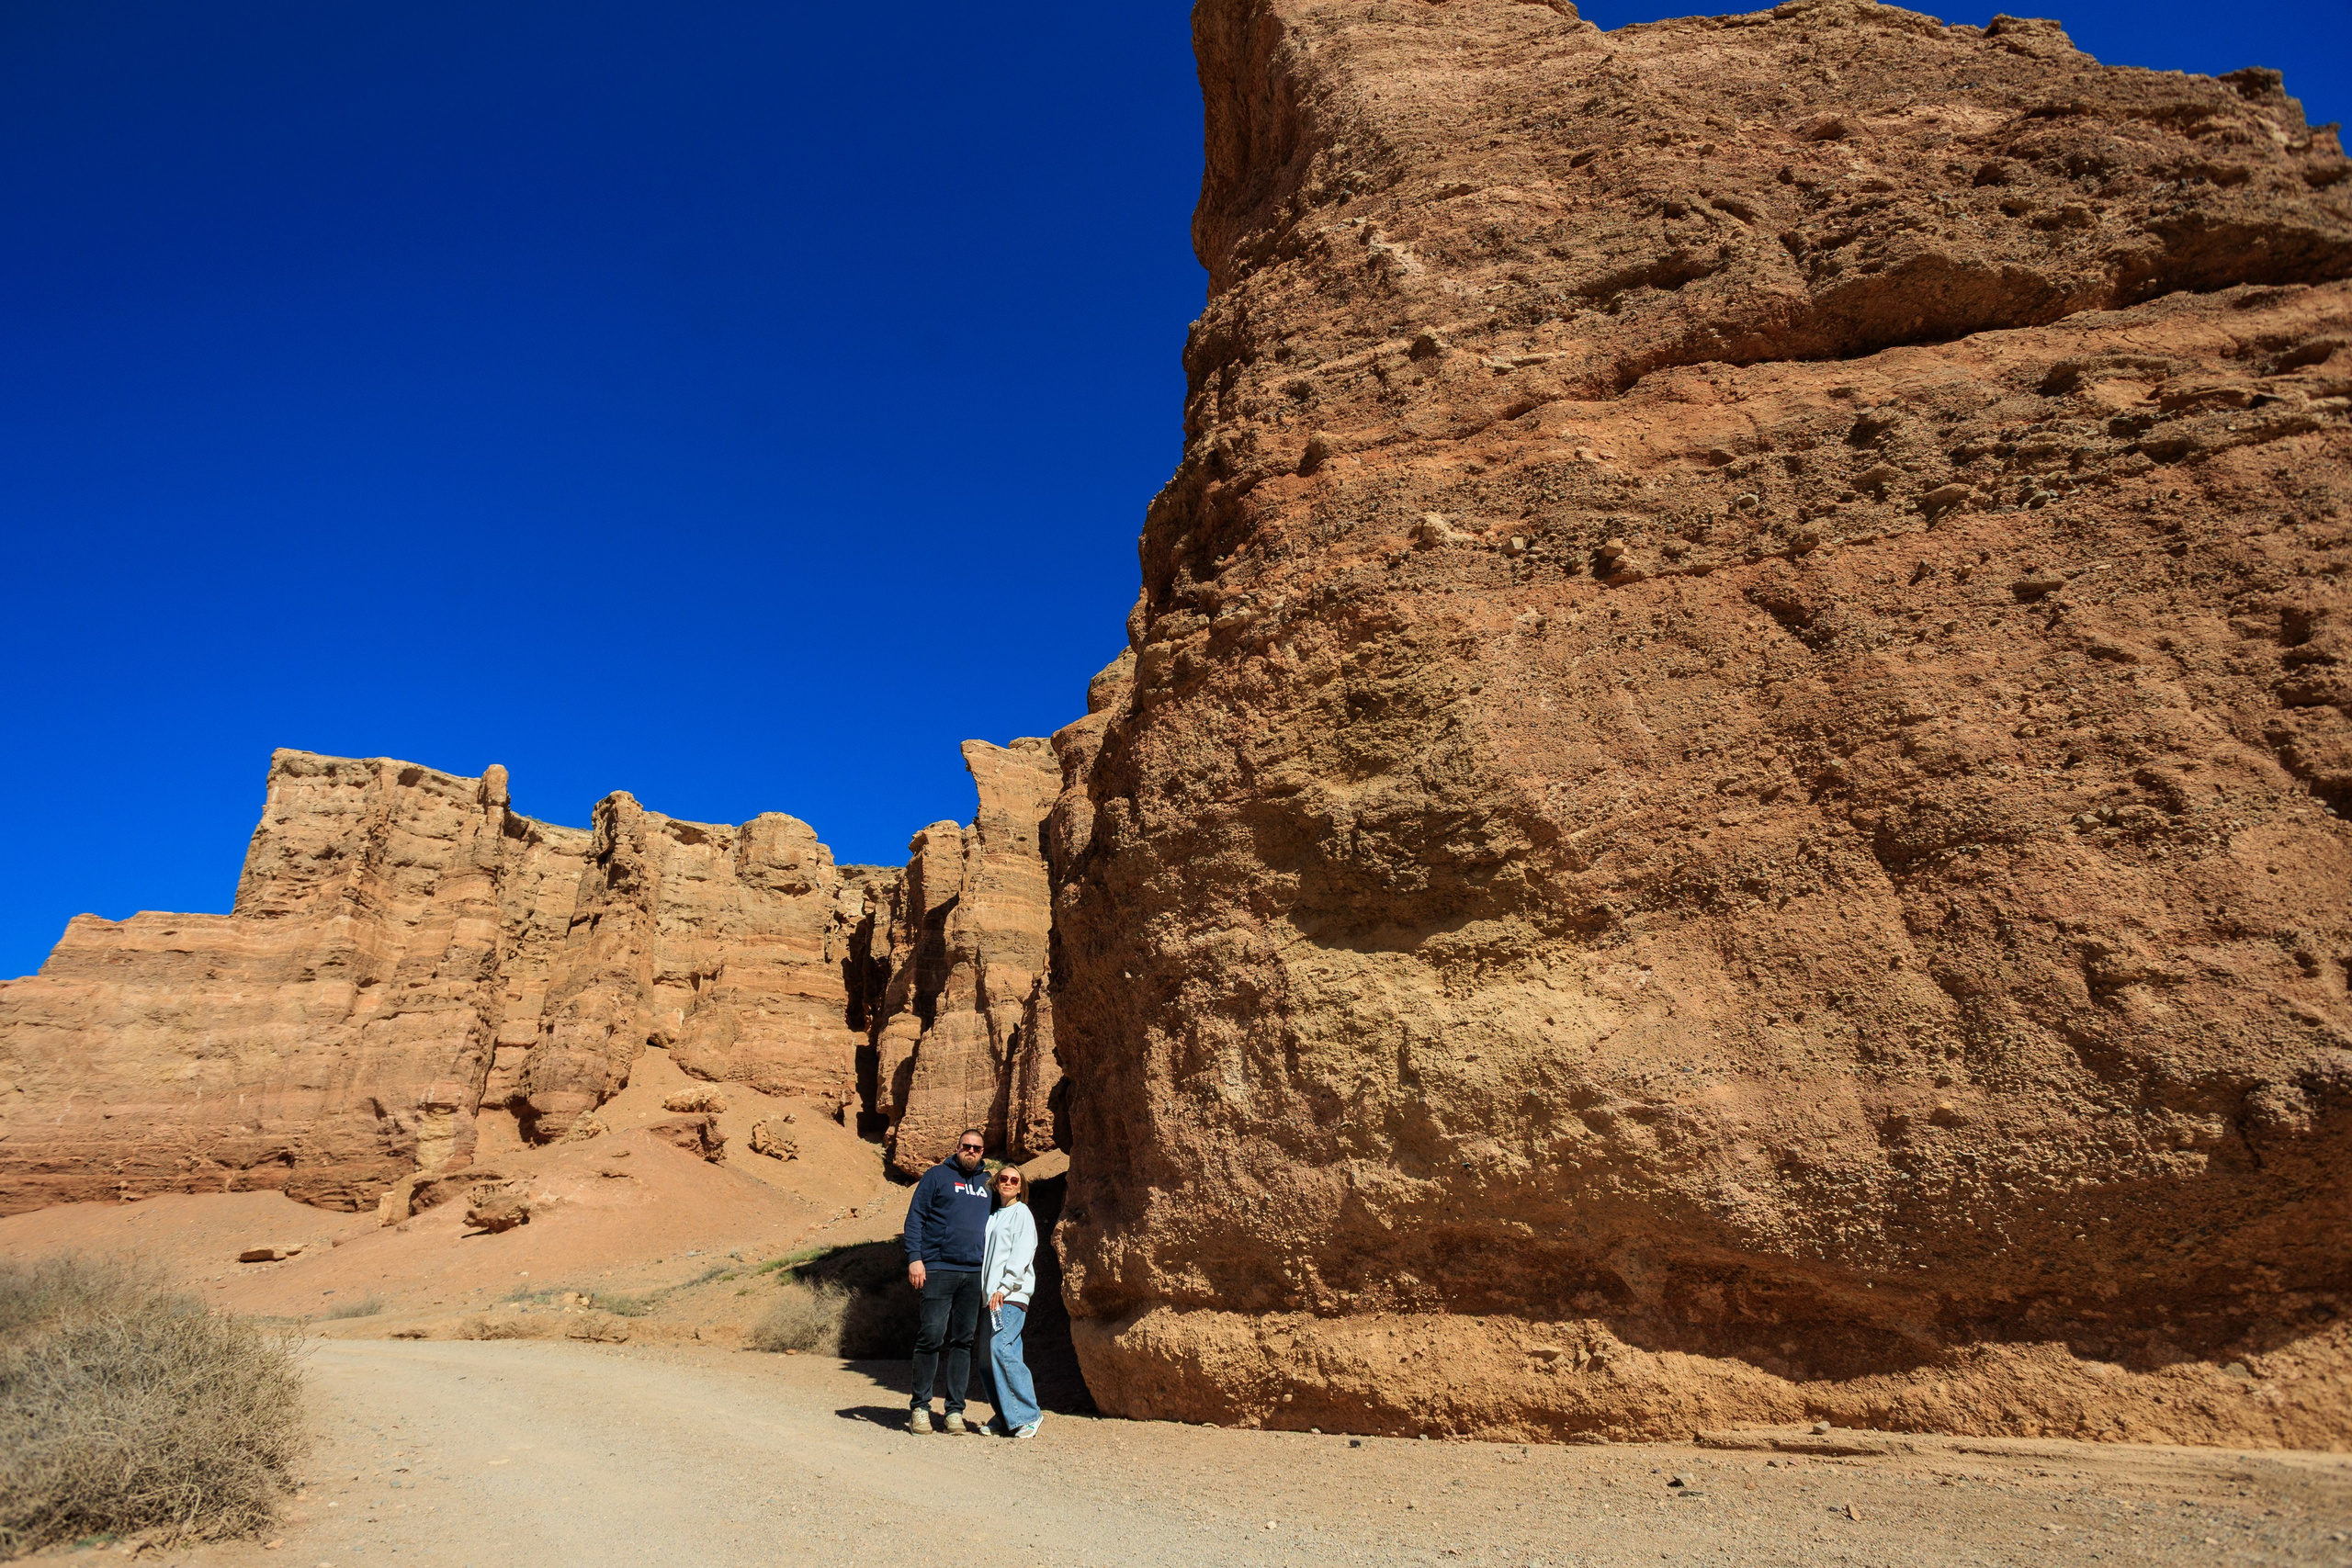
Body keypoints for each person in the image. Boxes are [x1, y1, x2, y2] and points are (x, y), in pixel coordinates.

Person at [903, 1128, 991, 1434]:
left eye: (977, 1148)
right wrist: (915, 1258)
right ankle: (920, 1407)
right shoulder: (937, 1176)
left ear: (983, 1152)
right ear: (957, 1147)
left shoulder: (988, 1183)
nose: (971, 1151)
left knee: (963, 1342)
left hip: (974, 1273)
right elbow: (916, 1217)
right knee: (931, 1336)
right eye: (966, 1146)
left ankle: (954, 1411)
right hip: (938, 1268)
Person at [981, 1164, 1044, 1439]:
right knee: (986, 1360)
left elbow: (1021, 1253)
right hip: (990, 1298)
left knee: (1001, 1348)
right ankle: (1007, 1415)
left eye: (1014, 1180)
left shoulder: (1022, 1213)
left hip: (1010, 1295)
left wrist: (1005, 1287)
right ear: (997, 1184)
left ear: (1020, 1187)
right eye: (1003, 1178)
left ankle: (1029, 1414)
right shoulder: (994, 1215)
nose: (1008, 1182)